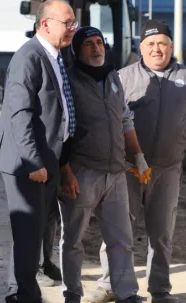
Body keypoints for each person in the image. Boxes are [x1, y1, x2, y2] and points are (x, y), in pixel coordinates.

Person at [90, 19, 186, 303]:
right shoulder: (122, 77)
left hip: (168, 169)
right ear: (141, 47)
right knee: (117, 229)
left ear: (171, 47)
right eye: (151, 44)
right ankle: (109, 283)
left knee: (162, 233)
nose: (157, 50)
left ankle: (160, 289)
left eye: (163, 44)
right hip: (127, 170)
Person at [0, 0, 77, 303]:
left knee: (32, 234)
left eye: (73, 23)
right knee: (28, 235)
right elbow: (19, 113)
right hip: (27, 163)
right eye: (67, 23)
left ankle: (18, 293)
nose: (72, 29)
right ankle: (25, 296)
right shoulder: (29, 57)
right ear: (45, 24)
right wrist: (32, 160)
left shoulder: (54, 56)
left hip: (47, 161)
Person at [58, 26, 145, 303]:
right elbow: (58, 128)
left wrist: (138, 156)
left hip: (116, 173)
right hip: (81, 172)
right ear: (77, 50)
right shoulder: (68, 82)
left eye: (99, 43)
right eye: (88, 44)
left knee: (121, 239)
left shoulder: (113, 78)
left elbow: (125, 119)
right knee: (73, 240)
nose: (96, 49)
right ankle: (72, 293)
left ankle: (126, 292)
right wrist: (66, 171)